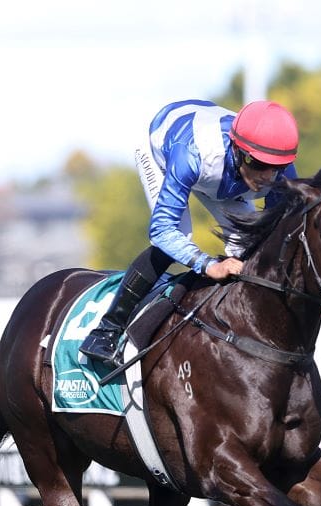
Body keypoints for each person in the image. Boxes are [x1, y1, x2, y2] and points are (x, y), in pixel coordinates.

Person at [80, 98, 300, 368]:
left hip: (224, 173)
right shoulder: (192, 155)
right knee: (176, 239)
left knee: (250, 247)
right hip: (163, 149)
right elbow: (162, 230)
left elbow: (273, 239)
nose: (267, 176)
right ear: (239, 150)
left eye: (275, 167)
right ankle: (107, 330)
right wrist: (209, 265)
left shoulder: (282, 171)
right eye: (259, 164)